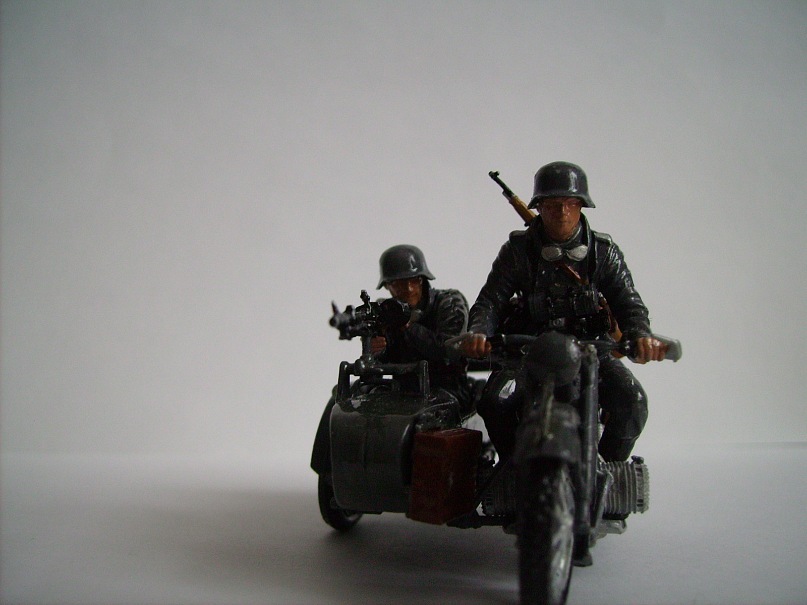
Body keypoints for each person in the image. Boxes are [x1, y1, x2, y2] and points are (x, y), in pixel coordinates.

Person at [461, 161, 665, 462]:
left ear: (582, 206)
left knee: (632, 402)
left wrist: (640, 335)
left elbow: (628, 301)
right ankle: (514, 468)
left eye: (571, 203)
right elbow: (491, 300)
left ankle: (608, 468)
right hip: (528, 351)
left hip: (590, 350)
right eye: (553, 204)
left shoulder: (603, 252)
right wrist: (479, 332)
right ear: (539, 207)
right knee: (495, 402)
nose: (562, 212)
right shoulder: (517, 250)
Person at [311, 244, 474, 477]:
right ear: (388, 287)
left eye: (413, 281)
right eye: (397, 284)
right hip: (400, 387)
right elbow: (382, 361)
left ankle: (421, 482)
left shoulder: (449, 302)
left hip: (447, 386)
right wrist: (377, 347)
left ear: (423, 280)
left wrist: (407, 326)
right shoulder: (385, 311)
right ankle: (329, 473)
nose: (407, 289)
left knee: (428, 426)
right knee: (343, 398)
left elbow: (448, 352)